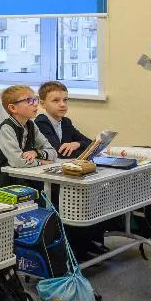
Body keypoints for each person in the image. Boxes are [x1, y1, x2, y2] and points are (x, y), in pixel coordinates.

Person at [35, 80, 106, 258]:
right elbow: (58, 152)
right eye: (56, 100)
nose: (62, 104)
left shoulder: (65, 122)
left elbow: (89, 143)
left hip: (66, 172)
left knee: (93, 192)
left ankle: (88, 241)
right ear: (42, 104)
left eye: (65, 100)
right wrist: (77, 148)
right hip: (48, 178)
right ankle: (77, 247)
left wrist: (76, 143)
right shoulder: (41, 123)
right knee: (77, 198)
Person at [0, 85, 56, 189]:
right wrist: (41, 162)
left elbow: (53, 152)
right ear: (13, 108)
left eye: (35, 99)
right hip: (5, 183)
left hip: (25, 177)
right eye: (29, 100)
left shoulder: (31, 125)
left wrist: (36, 153)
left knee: (54, 189)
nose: (35, 104)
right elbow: (17, 161)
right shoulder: (7, 128)